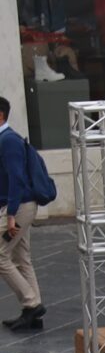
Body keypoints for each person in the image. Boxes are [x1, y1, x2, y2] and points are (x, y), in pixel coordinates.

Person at [0, 96, 45, 333]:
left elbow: (16, 179)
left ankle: (32, 303)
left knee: (0, 255)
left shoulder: (8, 141)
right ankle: (32, 311)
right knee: (21, 256)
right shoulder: (6, 139)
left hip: (18, 208)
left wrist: (10, 216)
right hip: (18, 207)